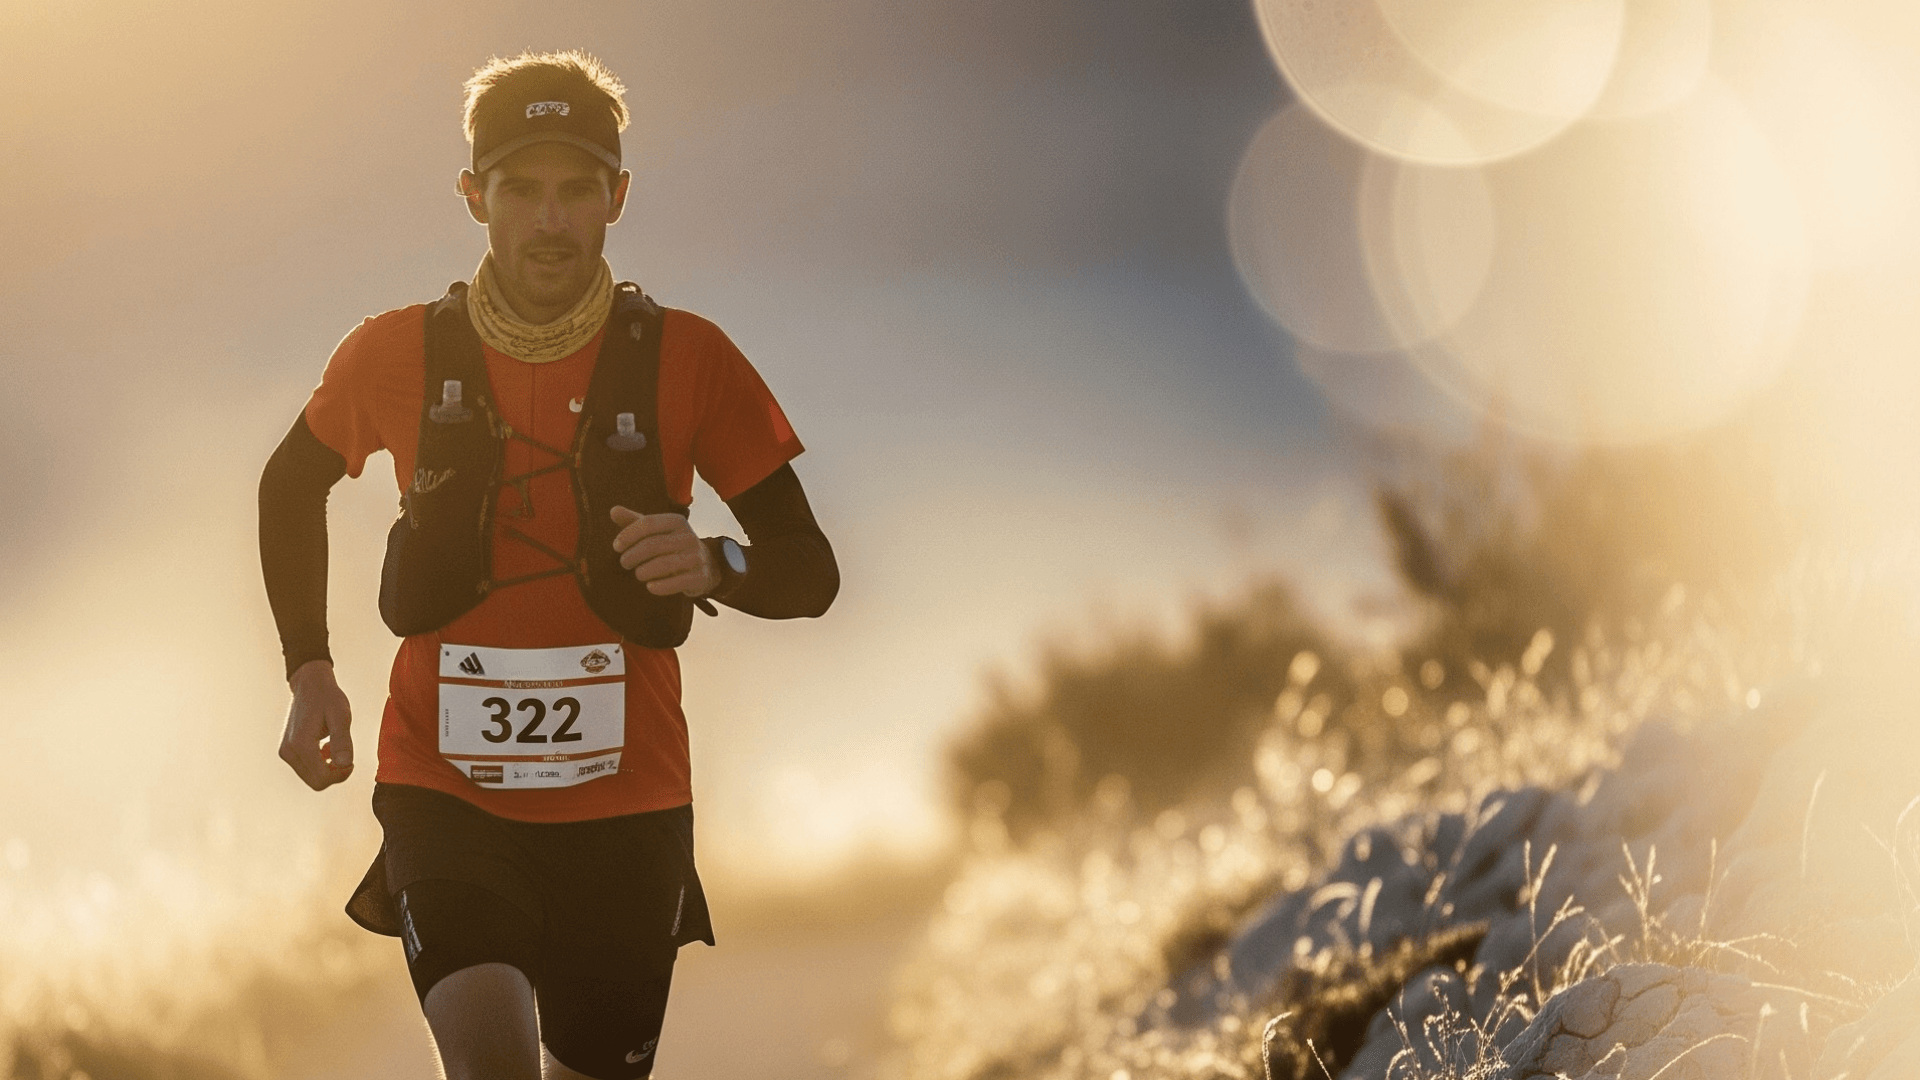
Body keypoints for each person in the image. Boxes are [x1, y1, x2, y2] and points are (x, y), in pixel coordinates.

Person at [257, 50, 839, 1080]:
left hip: (631, 808)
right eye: (521, 191)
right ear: (474, 196)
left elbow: (809, 569)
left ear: (618, 198)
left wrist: (716, 562)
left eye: (577, 192)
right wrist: (310, 668)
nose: (551, 221)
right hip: (446, 793)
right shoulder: (395, 354)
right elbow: (289, 486)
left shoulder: (690, 358)